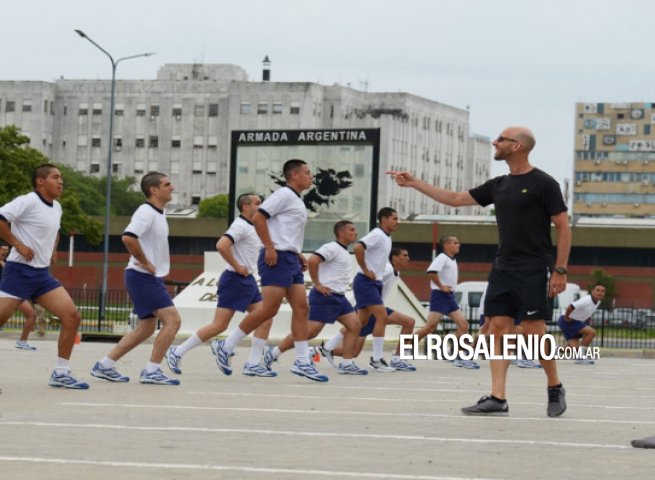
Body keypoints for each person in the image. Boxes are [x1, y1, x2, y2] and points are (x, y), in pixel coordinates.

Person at [389, 125, 571, 418]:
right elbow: (455, 199)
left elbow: (564, 228)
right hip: (503, 268)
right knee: (497, 329)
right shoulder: (499, 184)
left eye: (501, 139)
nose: (494, 143)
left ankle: (554, 386)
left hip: (534, 269)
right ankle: (498, 397)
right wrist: (415, 183)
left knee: (536, 334)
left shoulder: (544, 184)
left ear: (518, 146)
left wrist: (560, 270)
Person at [211, 159, 328, 382]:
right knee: (269, 309)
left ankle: (302, 361)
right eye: (307, 172)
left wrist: (297, 253)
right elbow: (259, 217)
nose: (311, 176)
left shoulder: (295, 199)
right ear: (294, 175)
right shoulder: (283, 194)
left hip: (290, 258)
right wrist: (271, 247)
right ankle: (226, 346)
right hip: (277, 259)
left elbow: (284, 231)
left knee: (302, 308)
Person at [165, 193, 275, 377]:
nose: (261, 205)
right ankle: (177, 352)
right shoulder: (240, 225)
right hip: (235, 280)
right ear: (246, 207)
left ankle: (252, 363)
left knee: (266, 317)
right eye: (257, 203)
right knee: (219, 325)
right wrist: (237, 266)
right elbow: (222, 245)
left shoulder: (254, 226)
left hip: (246, 280)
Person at [0, 164, 88, 389]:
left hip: (41, 275)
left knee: (72, 317)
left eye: (61, 178)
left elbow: (54, 230)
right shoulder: (28, 200)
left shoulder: (57, 206)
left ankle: (61, 372)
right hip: (19, 272)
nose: (61, 182)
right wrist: (18, 244)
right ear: (40, 181)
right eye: (55, 177)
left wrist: (53, 249)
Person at [90, 172, 181, 385]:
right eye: (167, 184)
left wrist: (154, 266)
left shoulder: (159, 213)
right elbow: (128, 237)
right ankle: (152, 370)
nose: (172, 188)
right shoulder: (146, 211)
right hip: (141, 276)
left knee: (147, 327)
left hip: (146, 277)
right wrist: (146, 262)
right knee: (173, 321)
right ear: (154, 190)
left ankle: (104, 365)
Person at [264, 220, 367, 375]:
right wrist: (317, 284)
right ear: (341, 233)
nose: (356, 232)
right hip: (324, 296)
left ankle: (347, 363)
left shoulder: (344, 251)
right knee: (310, 331)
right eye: (352, 230)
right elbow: (313, 260)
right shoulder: (331, 247)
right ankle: (274, 352)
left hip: (339, 297)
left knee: (355, 325)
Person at [319, 247, 416, 372]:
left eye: (408, 255)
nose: (408, 258)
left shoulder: (394, 272)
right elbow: (367, 284)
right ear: (394, 258)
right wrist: (371, 303)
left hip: (373, 307)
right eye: (404, 255)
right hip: (371, 306)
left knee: (354, 352)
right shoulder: (386, 269)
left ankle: (322, 349)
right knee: (406, 321)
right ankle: (380, 359)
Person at [414, 236, 479, 369]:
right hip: (440, 295)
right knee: (430, 327)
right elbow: (431, 273)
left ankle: (457, 355)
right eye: (455, 243)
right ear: (447, 246)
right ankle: (402, 349)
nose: (458, 245)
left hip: (450, 297)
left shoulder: (451, 259)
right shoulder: (442, 258)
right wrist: (442, 286)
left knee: (463, 325)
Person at [352, 207, 399, 371]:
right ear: (384, 219)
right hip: (366, 281)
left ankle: (336, 355)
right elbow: (358, 247)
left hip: (373, 282)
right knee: (382, 316)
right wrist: (365, 269)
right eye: (394, 218)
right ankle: (377, 358)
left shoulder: (387, 238)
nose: (397, 222)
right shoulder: (377, 234)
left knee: (360, 322)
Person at [0, 244, 39, 350]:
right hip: (3, 294)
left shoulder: (10, 262)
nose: (4, 252)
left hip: (14, 292)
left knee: (31, 315)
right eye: (2, 250)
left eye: (6, 250)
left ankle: (22, 341)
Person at [557, 283, 606, 365]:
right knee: (591, 332)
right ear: (592, 291)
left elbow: (587, 313)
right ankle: (581, 358)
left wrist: (584, 324)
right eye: (597, 290)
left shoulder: (598, 302)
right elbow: (571, 306)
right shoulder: (586, 300)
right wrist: (566, 317)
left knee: (572, 349)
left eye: (602, 291)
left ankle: (550, 351)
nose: (600, 292)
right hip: (568, 321)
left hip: (575, 322)